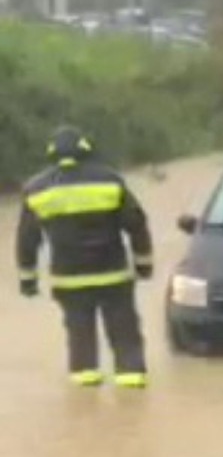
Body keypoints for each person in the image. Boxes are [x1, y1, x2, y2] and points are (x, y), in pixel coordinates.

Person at [15, 126, 154, 388]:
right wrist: (144, 265)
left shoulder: (36, 189)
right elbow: (136, 224)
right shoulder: (110, 180)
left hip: (69, 280)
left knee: (79, 331)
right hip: (113, 275)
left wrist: (28, 280)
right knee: (124, 329)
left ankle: (85, 376)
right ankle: (130, 377)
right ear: (86, 150)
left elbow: (27, 241)